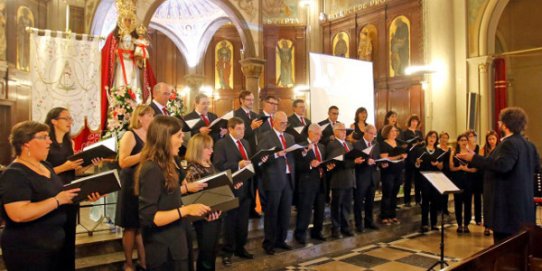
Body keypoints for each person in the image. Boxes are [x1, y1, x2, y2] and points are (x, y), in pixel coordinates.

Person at [136, 116, 217, 271]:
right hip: (163, 247)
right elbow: (150, 218)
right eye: (179, 136)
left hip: (178, 238)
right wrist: (186, 210)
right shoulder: (152, 169)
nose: (182, 140)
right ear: (164, 137)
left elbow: (172, 199)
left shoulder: (171, 163)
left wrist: (205, 211)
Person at [0, 121, 80, 270]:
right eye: (44, 137)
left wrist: (87, 193)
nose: (49, 141)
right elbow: (18, 213)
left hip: (55, 244)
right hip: (28, 248)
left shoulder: (46, 166)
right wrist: (57, 200)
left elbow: (58, 194)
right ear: (26, 143)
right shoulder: (14, 173)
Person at [457, 107, 540, 244]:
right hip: (524, 207)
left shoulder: (508, 144)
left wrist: (474, 159)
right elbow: (537, 167)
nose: (499, 124)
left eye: (500, 121)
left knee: (505, 251)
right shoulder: (529, 145)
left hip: (507, 210)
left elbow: (502, 166)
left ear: (505, 124)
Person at [44, 107, 102, 271]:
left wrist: (90, 163)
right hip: (51, 193)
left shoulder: (70, 142)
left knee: (69, 237)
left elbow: (76, 170)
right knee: (54, 238)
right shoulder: (46, 142)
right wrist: (64, 166)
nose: (71, 122)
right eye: (66, 118)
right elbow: (40, 172)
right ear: (53, 121)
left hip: (71, 192)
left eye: (71, 118)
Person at [115, 105, 154, 271]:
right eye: (150, 115)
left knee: (142, 224)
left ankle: (144, 262)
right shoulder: (129, 135)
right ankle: (128, 263)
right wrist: (143, 154)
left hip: (146, 183)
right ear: (139, 117)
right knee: (131, 226)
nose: (153, 118)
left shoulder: (152, 136)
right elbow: (122, 161)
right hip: (131, 184)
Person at [213, 118, 256, 265]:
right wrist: (238, 164)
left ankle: (240, 248)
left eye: (243, 128)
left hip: (246, 187)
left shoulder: (245, 143)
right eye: (239, 129)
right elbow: (218, 165)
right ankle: (227, 251)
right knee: (230, 222)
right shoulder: (221, 144)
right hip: (231, 188)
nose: (242, 132)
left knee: (243, 222)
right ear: (230, 129)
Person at [258, 111, 295, 255]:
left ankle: (281, 240)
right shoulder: (265, 137)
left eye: (286, 123)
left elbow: (293, 157)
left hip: (288, 178)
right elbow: (261, 158)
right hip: (273, 179)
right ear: (274, 121)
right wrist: (275, 155)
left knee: (285, 212)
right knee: (272, 213)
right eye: (282, 123)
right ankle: (269, 243)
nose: (285, 125)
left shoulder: (290, 137)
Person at [184, 134, 223, 271]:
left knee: (213, 251)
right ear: (198, 149)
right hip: (203, 216)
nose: (211, 151)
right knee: (206, 253)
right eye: (208, 148)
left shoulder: (210, 164)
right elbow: (193, 196)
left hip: (216, 213)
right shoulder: (192, 169)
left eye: (211, 147)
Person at [326, 123, 364, 238]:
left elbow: (350, 159)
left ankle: (346, 227)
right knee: (337, 206)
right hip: (339, 179)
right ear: (335, 131)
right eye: (341, 130)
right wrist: (354, 162)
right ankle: (336, 229)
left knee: (347, 206)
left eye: (345, 130)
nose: (344, 132)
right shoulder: (332, 145)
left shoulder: (349, 144)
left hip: (350, 178)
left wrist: (357, 160)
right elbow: (337, 163)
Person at [293, 124, 328, 244]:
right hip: (307, 183)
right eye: (317, 134)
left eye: (320, 134)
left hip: (321, 181)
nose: (319, 137)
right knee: (305, 209)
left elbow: (322, 162)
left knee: (320, 209)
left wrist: (328, 166)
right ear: (310, 133)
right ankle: (300, 234)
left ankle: (317, 232)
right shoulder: (301, 146)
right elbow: (296, 166)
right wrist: (309, 165)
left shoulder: (322, 147)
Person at [233, 90, 263, 218]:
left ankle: (252, 208)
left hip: (254, 152)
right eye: (248, 100)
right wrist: (251, 128)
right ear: (241, 100)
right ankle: (243, 209)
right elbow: (238, 134)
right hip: (241, 151)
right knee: (243, 182)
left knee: (254, 182)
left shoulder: (255, 115)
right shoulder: (235, 114)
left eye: (252, 100)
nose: (251, 102)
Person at [413, 131, 444, 233]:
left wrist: (437, 164)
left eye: (434, 137)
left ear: (436, 139)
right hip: (424, 178)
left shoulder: (439, 151)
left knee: (434, 201)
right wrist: (417, 163)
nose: (432, 138)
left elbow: (441, 166)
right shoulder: (420, 150)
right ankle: (424, 224)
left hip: (435, 177)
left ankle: (434, 223)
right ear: (427, 138)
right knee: (425, 201)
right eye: (430, 136)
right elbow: (416, 166)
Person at [352, 125, 380, 232]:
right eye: (371, 133)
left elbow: (377, 158)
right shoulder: (358, 144)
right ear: (366, 132)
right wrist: (366, 161)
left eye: (374, 134)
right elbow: (356, 159)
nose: (373, 136)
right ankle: (359, 224)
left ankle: (369, 222)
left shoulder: (375, 145)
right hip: (361, 176)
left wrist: (380, 163)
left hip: (372, 176)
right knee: (359, 202)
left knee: (370, 201)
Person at [379, 125, 407, 225]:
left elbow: (404, 153)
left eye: (396, 131)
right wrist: (399, 156)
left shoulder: (399, 143)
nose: (395, 132)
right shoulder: (383, 144)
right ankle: (384, 216)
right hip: (388, 172)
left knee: (394, 194)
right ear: (387, 132)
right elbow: (385, 158)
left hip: (398, 171)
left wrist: (404, 156)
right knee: (387, 194)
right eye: (392, 131)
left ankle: (392, 215)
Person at [449, 133, 477, 234]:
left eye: (465, 140)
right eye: (462, 140)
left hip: (469, 180)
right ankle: (459, 224)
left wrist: (467, 169)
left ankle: (466, 224)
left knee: (468, 203)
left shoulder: (471, 153)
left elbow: (475, 169)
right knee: (458, 203)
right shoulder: (454, 153)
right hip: (458, 180)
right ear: (458, 142)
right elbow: (451, 167)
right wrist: (459, 168)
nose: (464, 142)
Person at [479, 130, 499, 236]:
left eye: (493, 139)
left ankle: (495, 224)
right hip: (487, 177)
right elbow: (481, 162)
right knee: (487, 202)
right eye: (489, 139)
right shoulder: (484, 149)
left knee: (496, 202)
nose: (491, 141)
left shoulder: (500, 149)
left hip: (497, 177)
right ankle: (487, 226)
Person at [401, 115, 424, 207]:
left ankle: (418, 200)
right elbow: (404, 145)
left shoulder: (419, 132)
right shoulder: (405, 132)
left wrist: (421, 143)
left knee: (418, 180)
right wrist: (412, 144)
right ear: (410, 122)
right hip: (409, 157)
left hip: (418, 157)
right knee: (408, 180)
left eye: (416, 121)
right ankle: (407, 201)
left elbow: (422, 145)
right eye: (413, 121)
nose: (414, 123)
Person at [466, 130, 483, 226]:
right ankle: (467, 219)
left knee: (477, 198)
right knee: (468, 197)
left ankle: (478, 219)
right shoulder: (465, 147)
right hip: (467, 174)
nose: (472, 138)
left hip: (477, 175)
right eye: (470, 136)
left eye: (474, 136)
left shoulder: (478, 148)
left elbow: (480, 160)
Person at [438, 132, 452, 215]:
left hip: (448, 171)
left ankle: (445, 208)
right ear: (439, 138)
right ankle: (439, 208)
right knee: (439, 191)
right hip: (439, 171)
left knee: (446, 191)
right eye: (443, 137)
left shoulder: (450, 149)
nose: (444, 139)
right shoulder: (437, 149)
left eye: (446, 138)